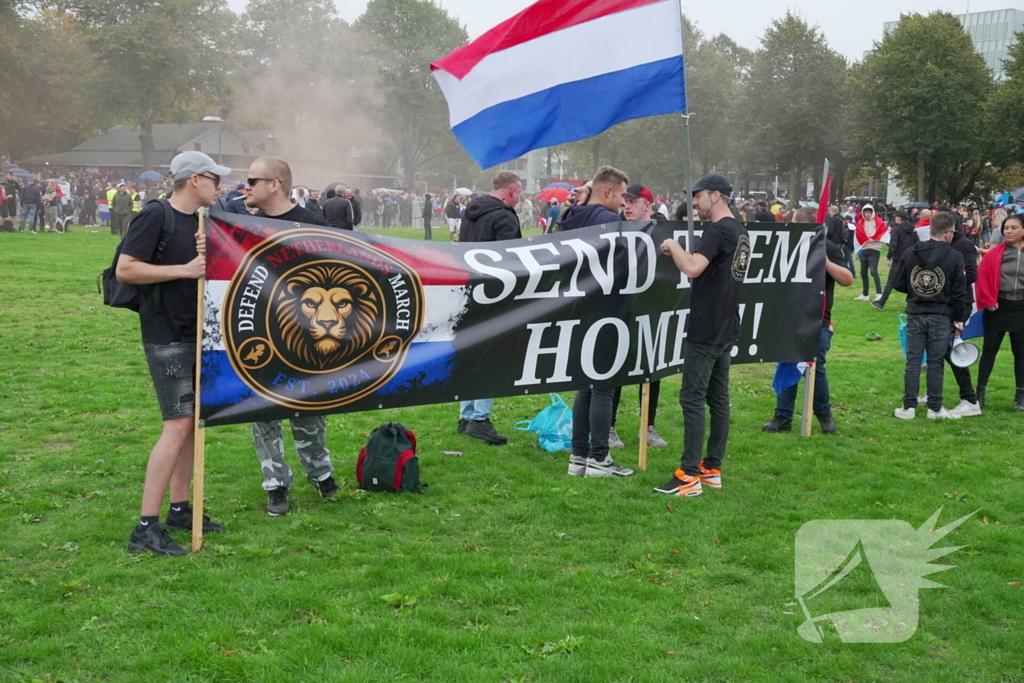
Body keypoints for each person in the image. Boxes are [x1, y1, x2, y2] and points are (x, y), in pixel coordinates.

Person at [116, 151, 230, 556]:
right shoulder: (155, 215)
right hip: (166, 334)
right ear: (195, 179)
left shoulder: (200, 221)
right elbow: (126, 269)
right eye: (216, 178)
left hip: (197, 332)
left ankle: (181, 509)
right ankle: (145, 528)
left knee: (192, 423)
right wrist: (185, 269)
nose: (221, 185)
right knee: (177, 425)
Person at [243, 156, 340, 516]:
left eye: (253, 180)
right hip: (260, 337)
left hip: (307, 337)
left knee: (310, 409)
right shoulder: (242, 227)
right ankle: (276, 484)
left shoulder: (313, 223)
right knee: (263, 412)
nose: (246, 186)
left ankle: (321, 473)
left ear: (274, 185)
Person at [654, 173, 750, 498]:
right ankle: (712, 469)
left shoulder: (718, 230)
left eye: (698, 196)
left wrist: (673, 246)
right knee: (718, 399)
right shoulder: (741, 231)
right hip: (726, 325)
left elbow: (693, 267)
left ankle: (688, 475)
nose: (694, 203)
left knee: (692, 399)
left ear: (716, 195)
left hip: (707, 328)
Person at [558, 166, 635, 478]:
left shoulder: (572, 217)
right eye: (621, 194)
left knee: (585, 386)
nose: (623, 202)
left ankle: (579, 456)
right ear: (608, 191)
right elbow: (623, 268)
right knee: (603, 386)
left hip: (578, 310)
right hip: (606, 310)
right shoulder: (611, 222)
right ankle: (599, 459)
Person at [762, 208, 854, 434]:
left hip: (817, 319)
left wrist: (826, 263)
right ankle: (782, 416)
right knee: (786, 362)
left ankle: (824, 415)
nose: (789, 224)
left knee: (815, 367)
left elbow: (848, 279)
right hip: (788, 316)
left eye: (793, 222)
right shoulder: (786, 246)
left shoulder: (828, 247)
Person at [454, 172, 523, 445]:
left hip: (468, 289)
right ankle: (479, 419)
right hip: (495, 293)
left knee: (472, 353)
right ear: (512, 191)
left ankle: (466, 414)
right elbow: (511, 258)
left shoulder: (471, 212)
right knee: (492, 356)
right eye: (519, 193)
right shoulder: (504, 216)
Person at [891, 212, 968, 420]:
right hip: (941, 315)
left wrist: (915, 291)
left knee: (913, 361)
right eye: (952, 232)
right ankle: (935, 408)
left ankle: (908, 407)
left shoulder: (910, 252)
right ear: (948, 233)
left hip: (915, 312)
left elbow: (897, 282)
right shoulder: (955, 257)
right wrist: (959, 318)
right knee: (936, 362)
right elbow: (960, 292)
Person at [612, 183, 668, 448]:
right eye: (626, 201)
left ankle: (649, 426)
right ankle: (609, 427)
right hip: (620, 311)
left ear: (648, 205)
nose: (627, 206)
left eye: (634, 202)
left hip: (651, 310)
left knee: (651, 370)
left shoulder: (663, 232)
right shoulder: (615, 230)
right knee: (615, 369)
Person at [975, 214, 1024, 411]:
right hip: (998, 308)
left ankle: (1020, 396)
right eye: (1006, 228)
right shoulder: (997, 253)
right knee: (989, 351)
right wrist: (988, 300)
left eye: (1013, 228)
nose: (1008, 231)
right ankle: (979, 393)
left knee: (1021, 354)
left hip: (1021, 308)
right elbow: (982, 277)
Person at [873, 212, 918, 310]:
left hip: (899, 259)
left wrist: (889, 256)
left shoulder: (896, 230)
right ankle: (910, 303)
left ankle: (881, 302)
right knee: (910, 281)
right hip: (910, 258)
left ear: (899, 218)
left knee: (891, 281)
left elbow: (893, 244)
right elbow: (917, 244)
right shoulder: (913, 230)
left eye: (896, 217)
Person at [853, 205, 887, 302]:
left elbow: (882, 233)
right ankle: (865, 294)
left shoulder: (878, 222)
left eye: (869, 212)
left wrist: (875, 239)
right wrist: (857, 251)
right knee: (863, 272)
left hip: (874, 249)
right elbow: (857, 237)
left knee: (873, 271)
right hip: (863, 249)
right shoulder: (860, 223)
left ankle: (879, 293)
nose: (867, 214)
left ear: (872, 212)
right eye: (865, 212)